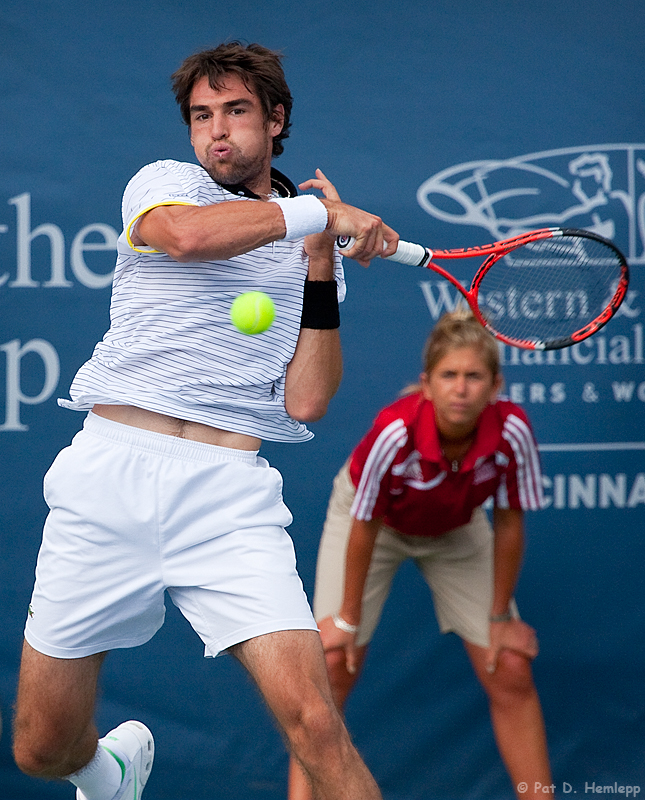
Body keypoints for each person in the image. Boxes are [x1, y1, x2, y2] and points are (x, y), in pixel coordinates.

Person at [12, 41, 398, 800]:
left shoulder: (308, 245)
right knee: (41, 747)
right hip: (108, 480)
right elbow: (186, 239)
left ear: (275, 119)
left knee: (315, 725)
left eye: (236, 112)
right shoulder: (168, 185)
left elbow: (307, 400)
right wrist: (318, 211)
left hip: (227, 497)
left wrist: (320, 258)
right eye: (201, 116)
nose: (217, 131)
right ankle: (107, 773)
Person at [288, 309, 553, 800]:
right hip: (374, 525)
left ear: (496, 385)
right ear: (427, 384)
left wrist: (499, 616)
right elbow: (364, 525)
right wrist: (346, 620)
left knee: (510, 664)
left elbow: (511, 522)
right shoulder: (394, 432)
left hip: (456, 527)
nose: (461, 388)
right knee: (332, 667)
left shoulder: (512, 431)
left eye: (474, 376)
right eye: (449, 375)